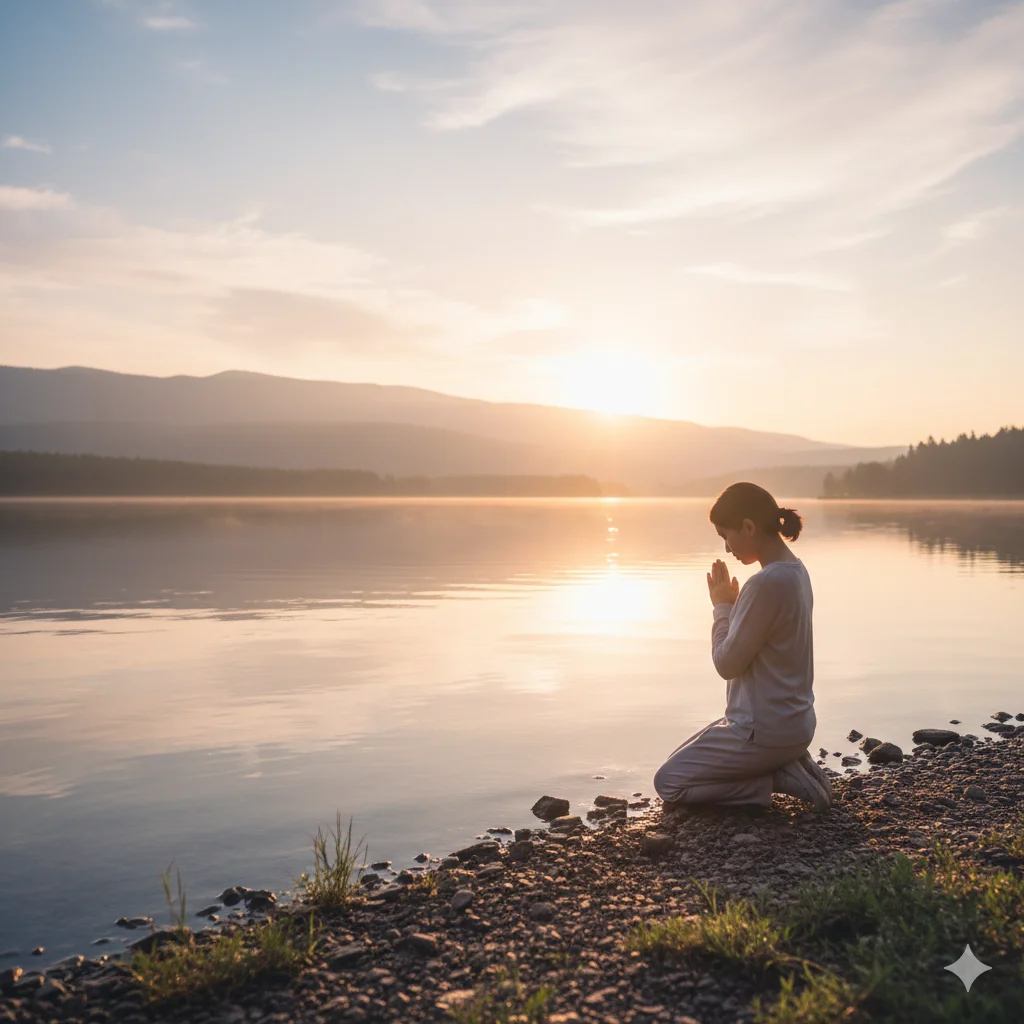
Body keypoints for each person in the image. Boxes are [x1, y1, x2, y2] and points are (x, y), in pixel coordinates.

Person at [653, 482, 832, 812]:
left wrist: (721, 607)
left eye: (727, 536)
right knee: (675, 762)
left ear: (749, 527)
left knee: (669, 783)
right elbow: (758, 642)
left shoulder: (765, 583)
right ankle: (787, 762)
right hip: (795, 724)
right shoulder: (796, 572)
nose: (726, 548)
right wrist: (736, 608)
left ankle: (776, 781)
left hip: (763, 730)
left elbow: (726, 665)